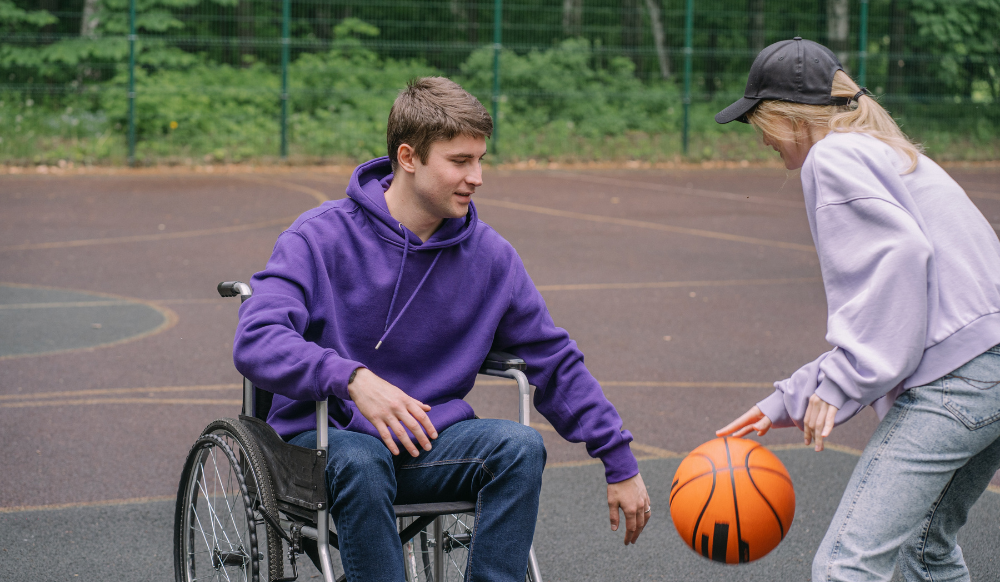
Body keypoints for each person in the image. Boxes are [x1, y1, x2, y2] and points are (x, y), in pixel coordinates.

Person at [233, 76, 649, 581]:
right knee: (362, 459)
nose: (476, 177)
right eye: (459, 161)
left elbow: (554, 360)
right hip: (322, 440)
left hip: (426, 443)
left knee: (519, 447)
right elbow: (257, 339)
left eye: (480, 160)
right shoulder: (319, 237)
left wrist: (619, 461)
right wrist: (353, 379)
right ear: (408, 157)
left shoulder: (491, 258)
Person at [715, 38, 1000, 582]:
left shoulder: (833, 155)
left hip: (960, 383)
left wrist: (844, 380)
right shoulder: (885, 151)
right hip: (989, 366)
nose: (764, 141)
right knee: (926, 548)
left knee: (846, 566)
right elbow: (910, 304)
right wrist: (790, 398)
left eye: (762, 123)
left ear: (791, 120)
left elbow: (898, 263)